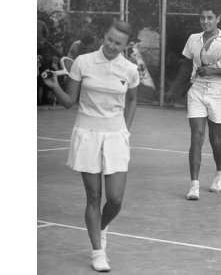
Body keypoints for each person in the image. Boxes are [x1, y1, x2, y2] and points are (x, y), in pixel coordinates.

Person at [43, 19, 140, 272]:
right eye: (108, 39)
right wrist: (54, 87)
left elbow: (132, 100)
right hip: (87, 134)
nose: (111, 45)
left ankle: (101, 226)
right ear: (104, 36)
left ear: (126, 46)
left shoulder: (130, 70)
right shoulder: (83, 62)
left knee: (116, 199)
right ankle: (98, 252)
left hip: (116, 136)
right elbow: (69, 102)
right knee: (94, 196)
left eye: (117, 43)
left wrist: (126, 130)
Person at [166, 7, 221, 200]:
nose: (205, 21)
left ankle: (219, 172)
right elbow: (185, 64)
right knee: (196, 137)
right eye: (202, 18)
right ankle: (194, 185)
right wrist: (175, 88)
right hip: (197, 90)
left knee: (216, 141)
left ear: (218, 19)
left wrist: (212, 72)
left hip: (218, 92)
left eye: (210, 18)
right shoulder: (193, 39)